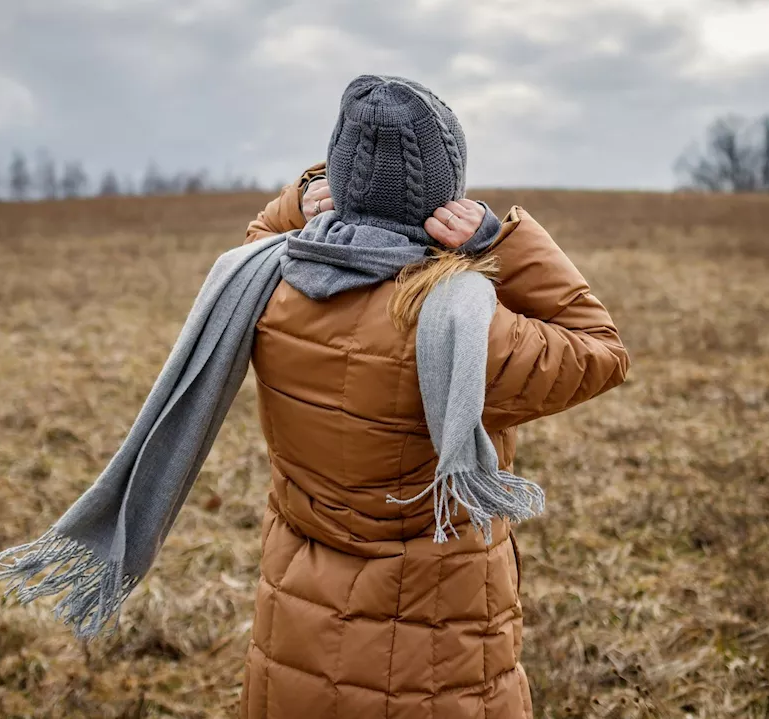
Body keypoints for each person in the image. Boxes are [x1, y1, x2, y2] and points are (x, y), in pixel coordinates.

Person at [238, 78, 630, 718]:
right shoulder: (464, 324)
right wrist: (501, 241)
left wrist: (302, 200)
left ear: (340, 180)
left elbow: (259, 233)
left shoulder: (267, 291)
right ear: (444, 195)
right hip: (436, 659)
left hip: (297, 629)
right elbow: (600, 349)